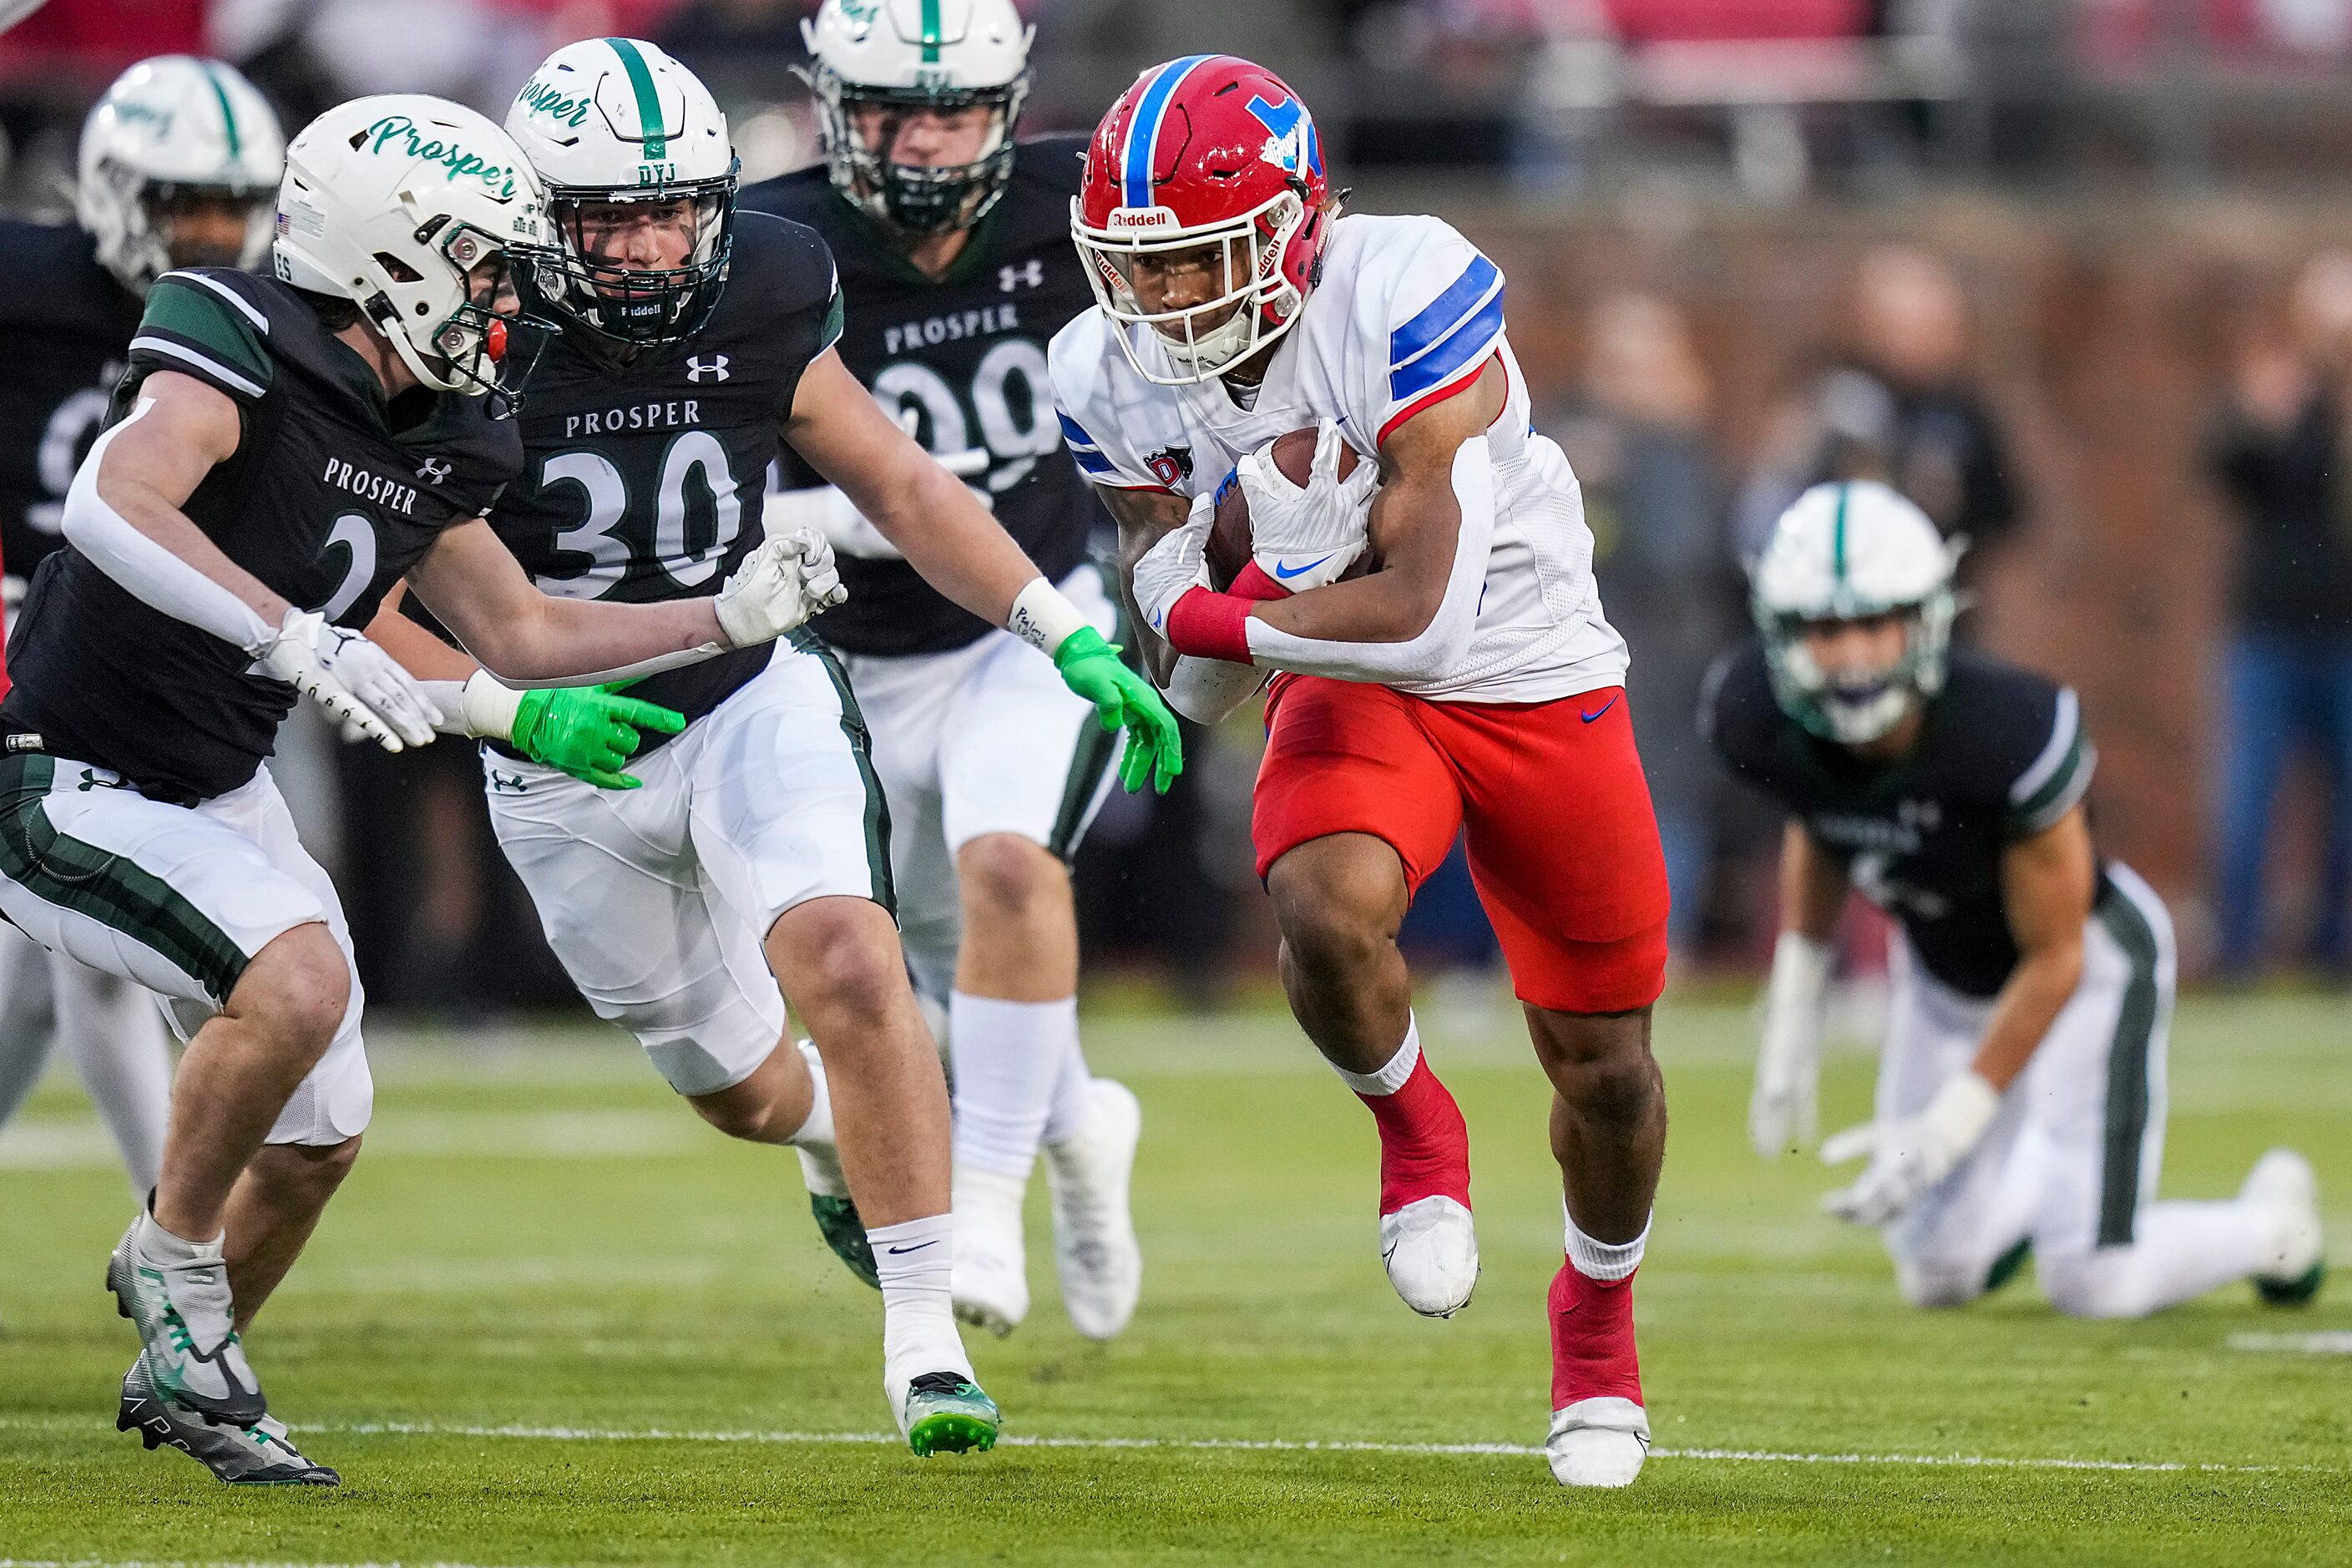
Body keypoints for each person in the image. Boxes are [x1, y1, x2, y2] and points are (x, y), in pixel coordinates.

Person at [1, 92, 844, 1486]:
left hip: (209, 784)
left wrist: (722, 615)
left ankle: (189, 1378)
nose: (508, 294)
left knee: (322, 1128)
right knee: (296, 983)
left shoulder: (454, 427)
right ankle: (169, 1261)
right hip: (64, 770)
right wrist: (294, 634)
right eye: (485, 259)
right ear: (388, 252)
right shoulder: (232, 331)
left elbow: (522, 634)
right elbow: (112, 503)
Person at [366, 38, 1181, 1454]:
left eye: (673, 206)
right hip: (559, 756)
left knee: (857, 961)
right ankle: (822, 1142)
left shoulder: (765, 279)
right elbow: (365, 593)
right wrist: (497, 707)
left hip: (746, 690)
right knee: (741, 1091)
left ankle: (926, 1342)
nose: (647, 244)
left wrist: (1058, 627)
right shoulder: (455, 333)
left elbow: (904, 481)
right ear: (530, 219)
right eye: (608, 215)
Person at [1053, 56, 1672, 1489]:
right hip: (1339, 672)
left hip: (1524, 662)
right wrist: (1172, 622)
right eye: (1133, 270)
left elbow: (1424, 613)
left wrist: (1201, 601)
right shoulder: (1102, 372)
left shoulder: (1406, 286)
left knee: (1608, 1065)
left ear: (1291, 229)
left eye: (1196, 261)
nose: (1161, 305)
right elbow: (1199, 681)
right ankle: (1415, 1125)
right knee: (1323, 907)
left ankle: (1596, 1317)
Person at [739, 0, 1143, 1343]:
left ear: (1009, 105)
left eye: (954, 110)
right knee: (930, 964)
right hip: (844, 656)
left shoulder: (1076, 207)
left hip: (1024, 624)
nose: (924, 145)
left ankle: (987, 1199)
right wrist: (818, 519)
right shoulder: (768, 246)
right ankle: (1085, 1128)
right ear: (834, 110)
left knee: (1012, 868)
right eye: (893, 113)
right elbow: (698, 462)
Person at [1707, 480, 2325, 1318]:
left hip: (2088, 966)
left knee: (2093, 1282)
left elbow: (2058, 954)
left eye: (1872, 623)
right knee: (1938, 1272)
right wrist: (1796, 1001)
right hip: (1944, 968)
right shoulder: (1756, 713)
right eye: (1824, 629)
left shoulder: (2004, 731)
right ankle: (2047, 1174)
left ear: (1924, 621)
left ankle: (2271, 1227)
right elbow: (1821, 818)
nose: (1850, 654)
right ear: (1783, 635)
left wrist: (1957, 1119)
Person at [0, 55, 283, 1212]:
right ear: (116, 192)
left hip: (136, 649)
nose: (211, 235)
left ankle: (174, 1237)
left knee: (39, 962)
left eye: (231, 207)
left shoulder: (270, 325)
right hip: (28, 627)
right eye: (183, 206)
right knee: (82, 953)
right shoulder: (26, 285)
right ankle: (180, 1238)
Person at [2203, 252, 2352, 980]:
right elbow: (2227, 467)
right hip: (2269, 627)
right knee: (2248, 793)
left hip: (2345, 631)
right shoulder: (2279, 392)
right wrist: (2261, 416)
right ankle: (2236, 946)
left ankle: (2335, 945)